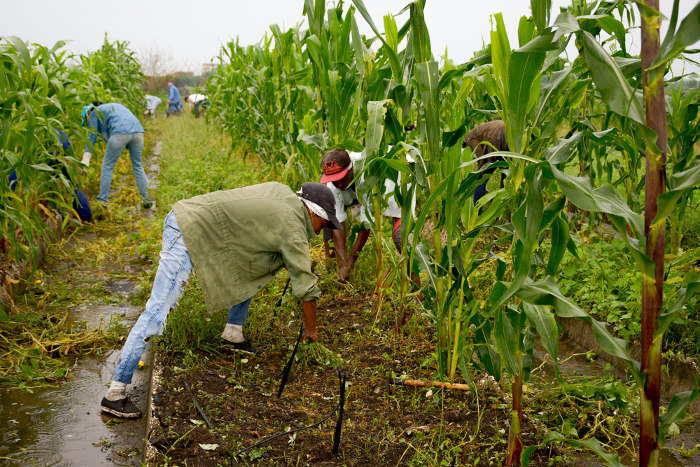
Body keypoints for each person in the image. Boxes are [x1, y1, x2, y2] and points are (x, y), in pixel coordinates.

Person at [99, 182, 342, 418]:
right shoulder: (293, 227)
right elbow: (306, 286)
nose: (324, 228)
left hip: (194, 219)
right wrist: (311, 331)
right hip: (187, 229)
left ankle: (233, 332)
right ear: (312, 211)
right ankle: (115, 392)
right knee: (157, 311)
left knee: (253, 266)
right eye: (325, 222)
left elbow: (259, 246)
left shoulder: (281, 193)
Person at [319, 149, 418, 287]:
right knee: (327, 217)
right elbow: (337, 222)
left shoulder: (367, 176)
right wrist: (343, 263)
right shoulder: (334, 182)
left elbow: (367, 223)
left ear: (351, 168)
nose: (339, 184)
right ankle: (330, 268)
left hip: (398, 176)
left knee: (400, 236)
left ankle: (418, 291)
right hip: (358, 189)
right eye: (335, 182)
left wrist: (351, 260)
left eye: (341, 179)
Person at [4, 129, 93, 223]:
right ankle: (87, 216)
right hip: (60, 141)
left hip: (51, 145)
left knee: (49, 179)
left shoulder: (8, 130)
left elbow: (12, 177)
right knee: (69, 181)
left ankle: (5, 210)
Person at [81, 102, 152, 209]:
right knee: (138, 166)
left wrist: (86, 158)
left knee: (107, 167)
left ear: (88, 113)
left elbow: (92, 136)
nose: (88, 122)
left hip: (120, 133)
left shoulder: (93, 112)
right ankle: (147, 199)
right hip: (138, 133)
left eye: (86, 120)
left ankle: (102, 202)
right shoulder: (113, 107)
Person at [462, 120, 508, 205]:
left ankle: (477, 213)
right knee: (506, 177)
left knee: (481, 179)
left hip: (495, 138)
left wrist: (483, 172)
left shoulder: (470, 137)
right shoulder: (479, 130)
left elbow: (481, 156)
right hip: (507, 135)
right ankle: (501, 207)